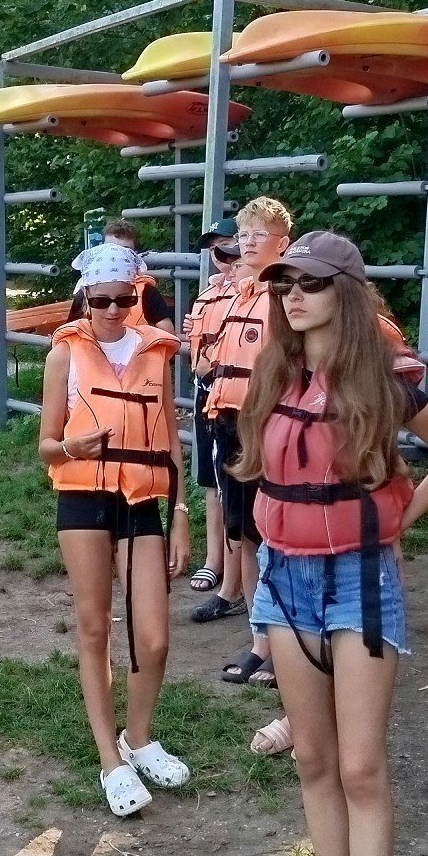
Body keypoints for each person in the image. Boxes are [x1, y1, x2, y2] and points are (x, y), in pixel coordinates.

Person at [235, 231, 428, 856]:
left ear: (345, 290)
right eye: (283, 284)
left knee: (362, 768)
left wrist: (399, 521)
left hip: (359, 583)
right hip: (285, 580)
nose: (292, 296)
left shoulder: (387, 380)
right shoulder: (274, 372)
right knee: (312, 758)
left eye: (308, 283)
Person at [39, 242, 193, 816]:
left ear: (135, 297)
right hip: (83, 497)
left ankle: (139, 736)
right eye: (100, 300)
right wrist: (70, 447)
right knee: (94, 627)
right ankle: (110, 759)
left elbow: (171, 439)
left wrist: (182, 514)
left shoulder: (155, 353)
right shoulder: (65, 354)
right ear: (85, 298)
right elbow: (46, 445)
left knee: (153, 637)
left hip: (143, 499)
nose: (111, 311)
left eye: (122, 300)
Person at [196, 195, 293, 685]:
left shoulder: (288, 295)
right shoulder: (236, 294)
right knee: (246, 535)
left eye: (260, 235)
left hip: (269, 428)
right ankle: (260, 641)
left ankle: (288, 645)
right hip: (229, 424)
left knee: (277, 536)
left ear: (284, 243)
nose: (249, 243)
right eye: (245, 234)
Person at [185, 219, 244, 600]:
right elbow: (198, 351)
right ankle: (214, 559)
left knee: (236, 482)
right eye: (213, 248)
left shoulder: (250, 290)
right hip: (206, 393)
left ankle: (237, 578)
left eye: (227, 244)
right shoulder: (207, 294)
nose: (220, 254)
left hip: (237, 398)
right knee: (211, 480)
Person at [65, 216, 175, 331]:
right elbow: (70, 330)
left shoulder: (147, 292)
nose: (116, 255)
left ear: (134, 254)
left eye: (125, 251)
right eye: (111, 248)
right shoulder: (86, 289)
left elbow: (168, 333)